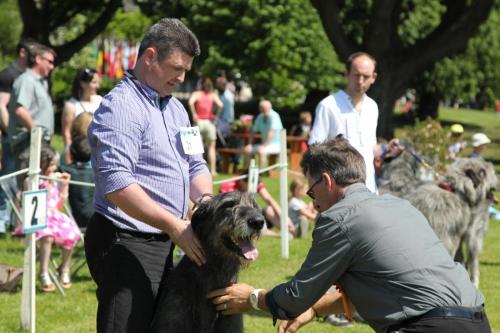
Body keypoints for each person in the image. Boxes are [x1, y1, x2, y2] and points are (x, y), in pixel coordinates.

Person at [208, 137, 491, 333]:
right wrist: (317, 309)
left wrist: (254, 298)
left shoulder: (338, 219)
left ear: (327, 181)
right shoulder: (400, 206)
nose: (313, 202)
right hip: (478, 321)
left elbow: (295, 296)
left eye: (311, 191)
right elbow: (396, 287)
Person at [85, 18, 212, 332]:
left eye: (186, 70)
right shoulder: (120, 107)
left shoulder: (178, 110)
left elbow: (195, 164)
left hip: (165, 240)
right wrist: (173, 224)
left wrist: (207, 204)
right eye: (176, 68)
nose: (182, 78)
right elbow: (117, 183)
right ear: (150, 56)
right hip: (125, 243)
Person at [309, 52, 378, 193]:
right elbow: (315, 148)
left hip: (369, 187)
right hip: (339, 190)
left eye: (365, 76)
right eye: (356, 75)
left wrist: (386, 149)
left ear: (373, 77)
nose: (360, 81)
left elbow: (370, 147)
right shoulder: (328, 105)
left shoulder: (372, 106)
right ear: (346, 74)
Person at [31, 145, 81, 292]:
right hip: (39, 217)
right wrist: (46, 183)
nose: (54, 168)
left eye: (55, 165)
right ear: (42, 164)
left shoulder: (54, 181)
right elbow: (33, 199)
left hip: (55, 216)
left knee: (73, 233)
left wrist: (64, 186)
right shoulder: (33, 179)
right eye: (51, 164)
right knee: (47, 236)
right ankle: (43, 272)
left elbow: (59, 205)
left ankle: (64, 268)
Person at [0, 39, 37, 233]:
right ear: (22, 52)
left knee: (23, 181)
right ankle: (2, 223)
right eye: (32, 53)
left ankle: (17, 224)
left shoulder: (29, 76)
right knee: (8, 179)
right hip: (11, 137)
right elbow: (1, 106)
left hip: (25, 137)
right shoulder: (8, 75)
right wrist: (12, 132)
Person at [7, 43, 56, 182]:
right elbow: (20, 110)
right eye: (50, 62)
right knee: (27, 187)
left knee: (39, 186)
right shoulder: (26, 80)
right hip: (28, 143)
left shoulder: (42, 83)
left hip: (38, 142)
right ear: (38, 59)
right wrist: (36, 132)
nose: (52, 66)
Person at [219, 170, 296, 236]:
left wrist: (285, 218)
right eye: (253, 186)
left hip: (255, 216)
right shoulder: (228, 186)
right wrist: (278, 235)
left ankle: (291, 230)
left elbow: (269, 199)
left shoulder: (254, 181)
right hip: (235, 219)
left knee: (269, 209)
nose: (255, 188)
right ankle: (283, 234)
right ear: (242, 181)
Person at [61, 67, 102, 164]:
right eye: (94, 82)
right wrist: (68, 155)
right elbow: (66, 132)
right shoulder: (71, 105)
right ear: (83, 84)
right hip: (79, 155)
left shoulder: (100, 100)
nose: (98, 86)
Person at [188, 76, 223, 176]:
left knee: (198, 149)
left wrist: (194, 114)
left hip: (198, 122)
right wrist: (217, 116)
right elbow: (221, 105)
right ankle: (213, 170)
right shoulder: (213, 95)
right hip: (209, 123)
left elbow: (190, 102)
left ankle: (199, 171)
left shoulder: (197, 94)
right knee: (212, 148)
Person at [60, 135, 94, 229]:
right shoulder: (97, 173)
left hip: (75, 220)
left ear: (70, 153)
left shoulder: (66, 171)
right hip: (95, 219)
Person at [243, 99, 283, 169]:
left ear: (270, 108)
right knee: (247, 149)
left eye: (266, 108)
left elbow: (271, 132)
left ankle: (260, 172)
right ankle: (247, 171)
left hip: (277, 144)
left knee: (261, 151)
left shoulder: (274, 116)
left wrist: (264, 145)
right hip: (264, 144)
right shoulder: (260, 116)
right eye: (263, 108)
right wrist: (249, 144)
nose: (265, 110)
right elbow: (253, 131)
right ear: (260, 109)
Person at [215, 71, 236, 138]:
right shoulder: (222, 95)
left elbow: (219, 109)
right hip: (222, 121)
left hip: (226, 122)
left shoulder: (227, 96)